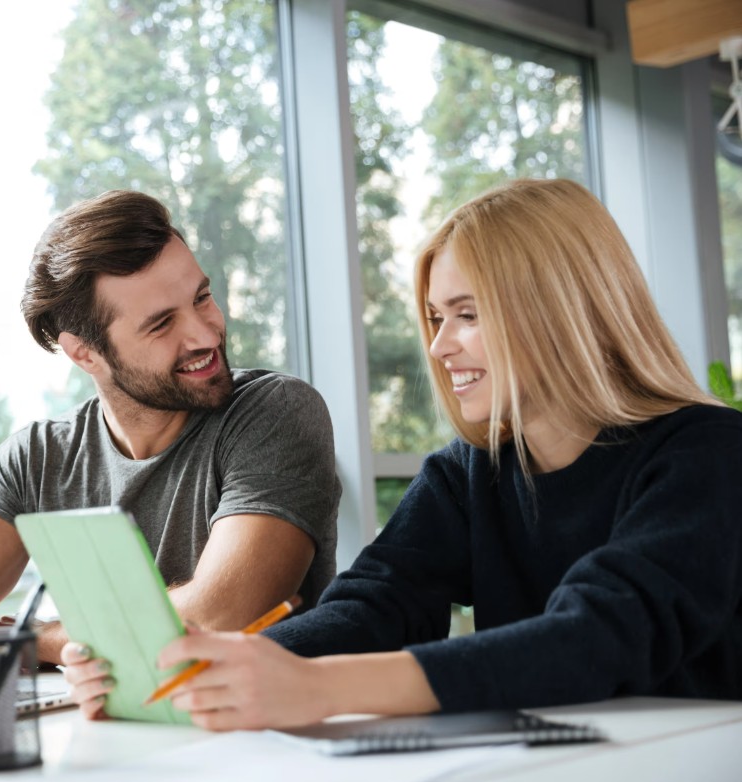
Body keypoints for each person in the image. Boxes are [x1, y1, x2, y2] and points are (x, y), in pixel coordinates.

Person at [64, 177, 742, 728]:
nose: (441, 348)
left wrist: (320, 688)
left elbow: (598, 636)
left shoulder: (708, 454)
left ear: (561, 312)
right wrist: (200, 670)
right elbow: (376, 603)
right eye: (436, 318)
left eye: (468, 315)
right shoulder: (469, 473)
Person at [0, 189, 341, 664]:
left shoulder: (275, 413)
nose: (205, 334)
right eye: (161, 324)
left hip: (259, 730)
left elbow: (220, 616)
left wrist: (41, 639)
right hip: (102, 730)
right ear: (84, 353)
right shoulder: (36, 460)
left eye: (202, 298)